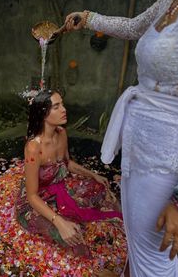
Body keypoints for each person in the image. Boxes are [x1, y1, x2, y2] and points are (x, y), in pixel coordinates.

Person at [65, 0, 178, 276]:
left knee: (157, 253)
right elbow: (133, 27)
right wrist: (90, 18)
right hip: (138, 143)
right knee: (136, 236)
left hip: (169, 159)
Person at [15, 89, 127, 276]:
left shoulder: (61, 132)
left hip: (59, 188)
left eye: (62, 104)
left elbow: (66, 163)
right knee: (70, 235)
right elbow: (32, 195)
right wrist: (59, 222)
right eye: (57, 107)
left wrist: (92, 174)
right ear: (43, 113)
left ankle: (125, 227)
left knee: (99, 188)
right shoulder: (33, 147)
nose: (64, 110)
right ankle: (92, 268)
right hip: (34, 202)